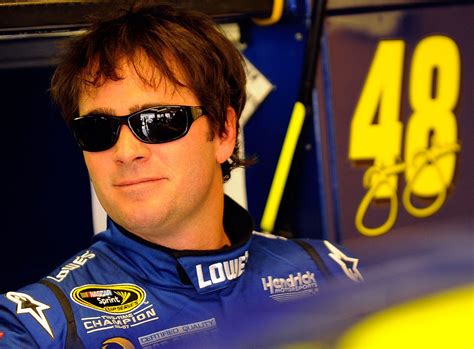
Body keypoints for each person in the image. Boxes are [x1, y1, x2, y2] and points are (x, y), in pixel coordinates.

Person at [0, 3, 362, 348]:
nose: (126, 152)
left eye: (157, 121)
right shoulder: (38, 328)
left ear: (223, 133)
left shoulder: (329, 271)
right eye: (97, 129)